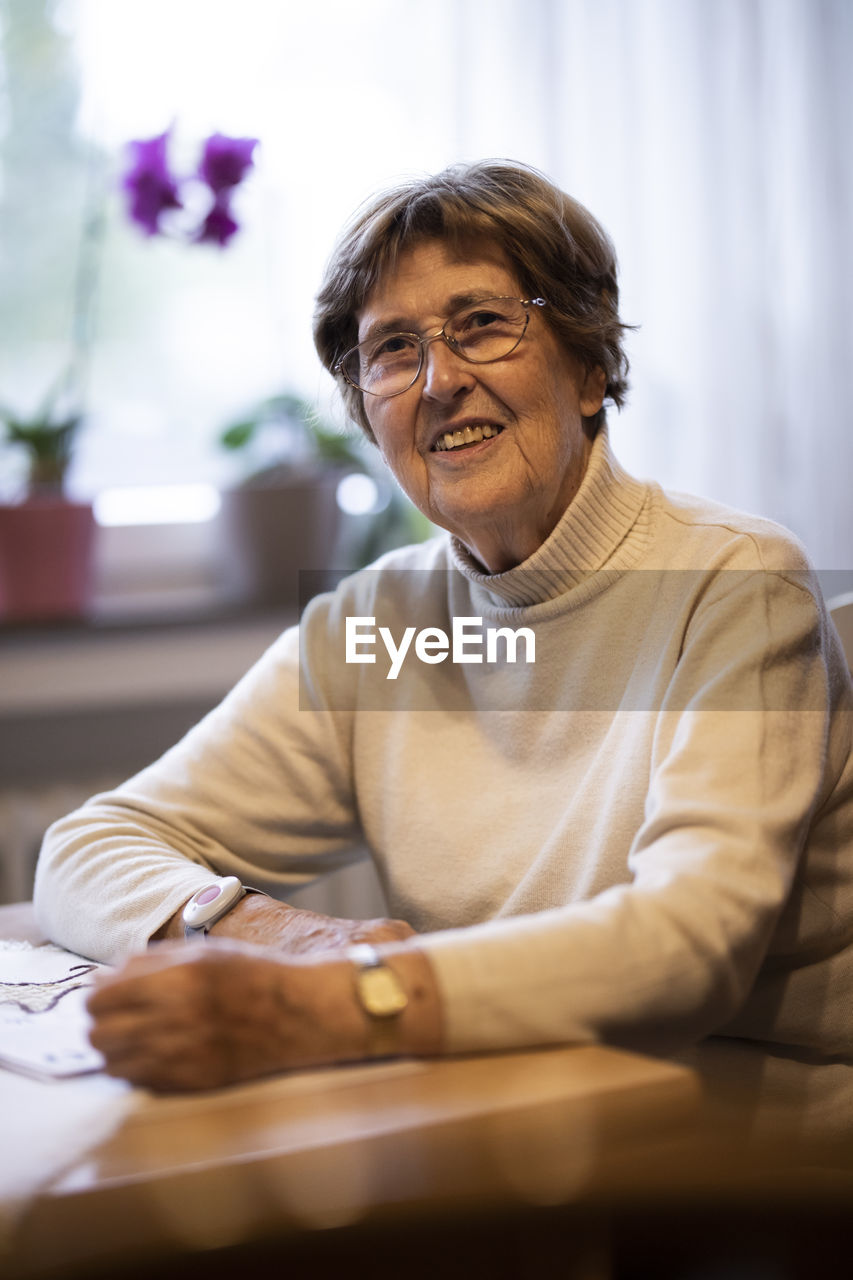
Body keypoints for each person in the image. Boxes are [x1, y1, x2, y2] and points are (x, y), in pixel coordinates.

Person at [34, 161, 853, 1148]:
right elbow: (85, 847)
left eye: (481, 324)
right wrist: (279, 931)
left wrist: (331, 1003)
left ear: (589, 366)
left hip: (752, 1155)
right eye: (391, 348)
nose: (439, 380)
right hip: (516, 1121)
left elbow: (688, 947)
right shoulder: (379, 623)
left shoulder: (733, 583)